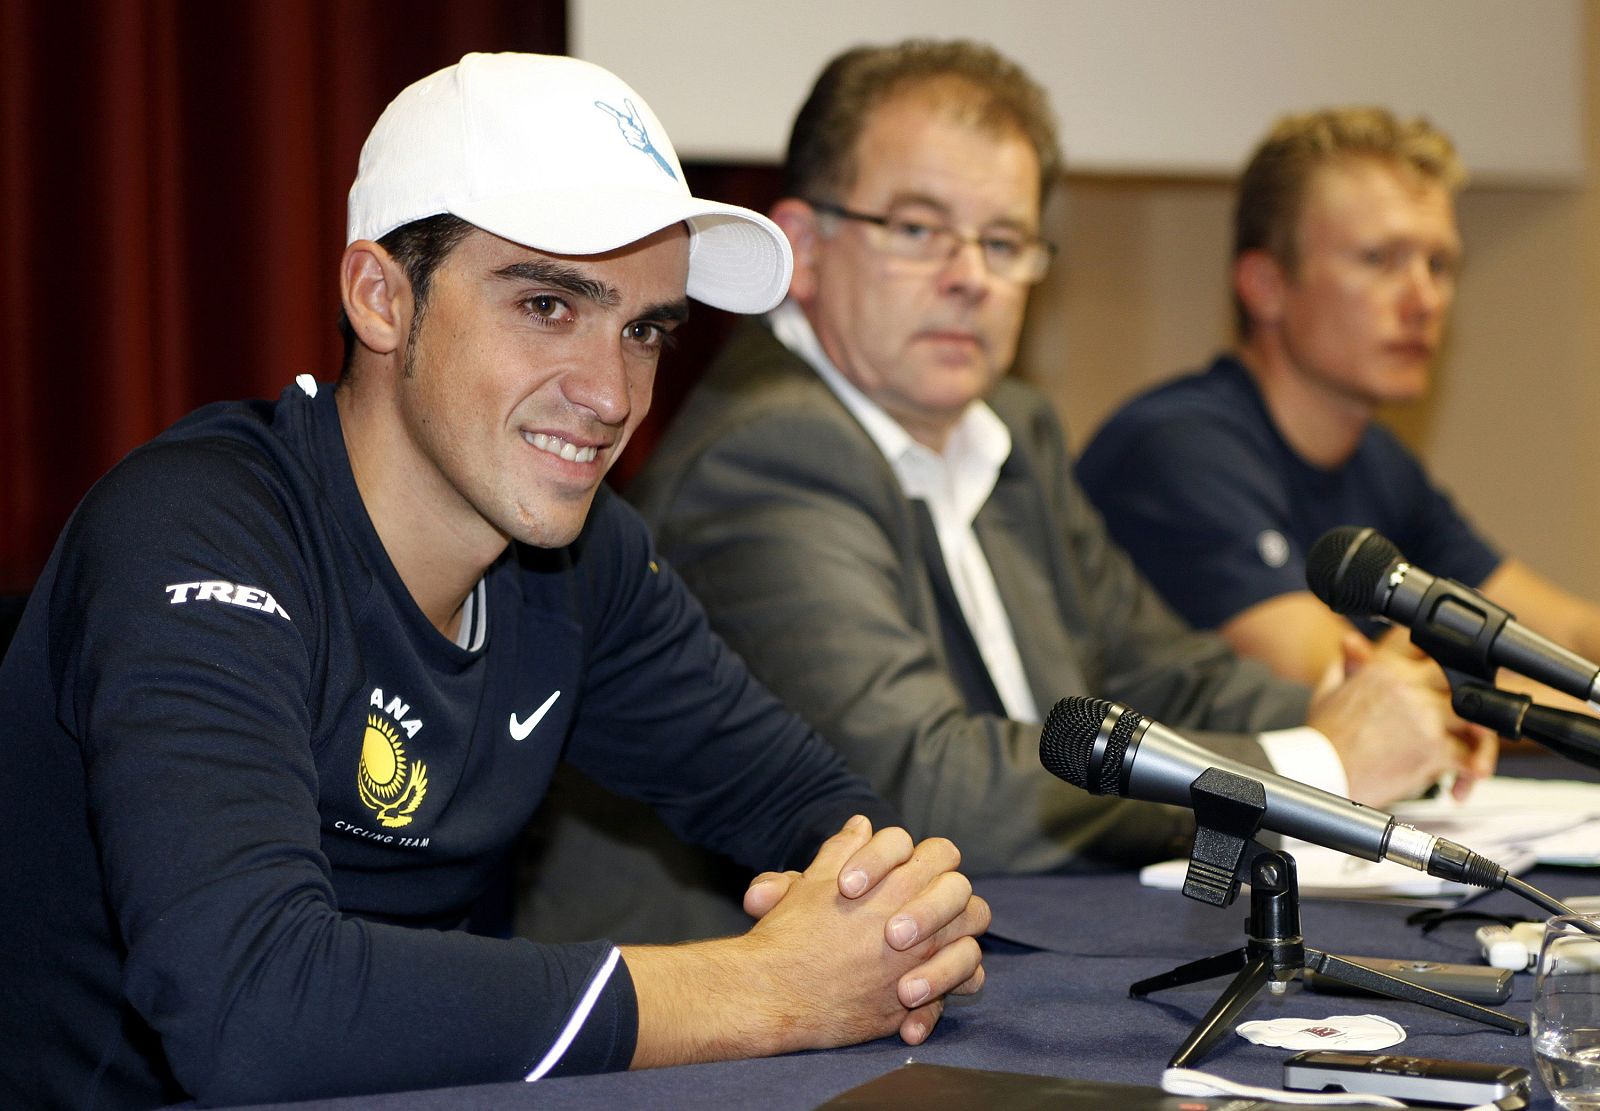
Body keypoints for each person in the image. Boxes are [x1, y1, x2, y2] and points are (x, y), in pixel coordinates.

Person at [0, 53, 989, 1109]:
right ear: (381, 298)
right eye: (548, 306)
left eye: (645, 329)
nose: (611, 394)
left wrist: (898, 924)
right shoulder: (199, 531)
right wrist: (762, 988)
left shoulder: (583, 557)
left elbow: (811, 806)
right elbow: (251, 1006)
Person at [614, 40, 1492, 891]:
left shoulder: (1011, 425)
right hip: (733, 1004)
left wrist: (1362, 703)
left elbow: (1156, 669)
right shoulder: (768, 452)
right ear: (803, 246)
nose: (971, 279)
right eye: (920, 229)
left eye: (1004, 242)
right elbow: (922, 790)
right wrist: (1326, 760)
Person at [1077, 107, 1600, 687]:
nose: (1425, 299)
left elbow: (1563, 635)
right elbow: (1345, 689)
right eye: (1379, 260)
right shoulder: (1175, 451)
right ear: (1266, 287)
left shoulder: (1378, 461)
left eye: (1440, 264)